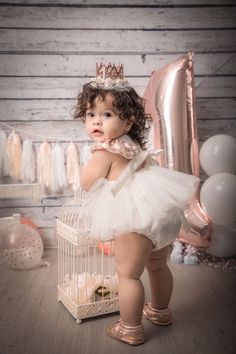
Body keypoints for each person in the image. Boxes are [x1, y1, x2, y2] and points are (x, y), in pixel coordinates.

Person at [73, 63, 200, 345]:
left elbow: (86, 183)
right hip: (160, 209)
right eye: (91, 114)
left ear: (128, 121)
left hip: (135, 218)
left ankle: (130, 328)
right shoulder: (129, 143)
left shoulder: (103, 151)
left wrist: (89, 164)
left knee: (128, 275)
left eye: (106, 115)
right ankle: (160, 312)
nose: (96, 121)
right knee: (157, 265)